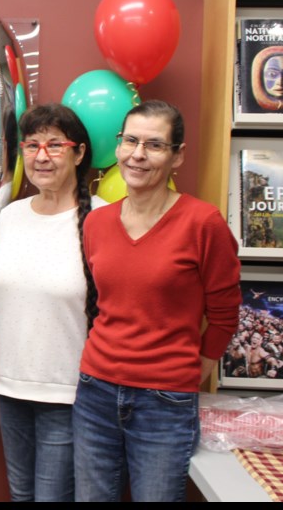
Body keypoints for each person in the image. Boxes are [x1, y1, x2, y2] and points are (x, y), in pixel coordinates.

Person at [73, 99, 241, 502]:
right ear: (117, 147)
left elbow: (224, 315)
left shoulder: (204, 223)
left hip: (165, 402)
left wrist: (184, 373)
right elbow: (103, 302)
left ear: (177, 156)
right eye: (130, 140)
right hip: (95, 393)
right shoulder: (96, 223)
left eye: (154, 145)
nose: (138, 154)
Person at [0, 103, 105, 502]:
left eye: (55, 145)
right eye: (32, 145)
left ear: (79, 154)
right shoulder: (10, 217)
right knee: (22, 494)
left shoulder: (102, 220)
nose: (42, 156)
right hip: (9, 388)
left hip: (71, 395)